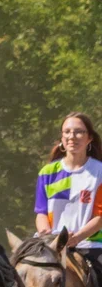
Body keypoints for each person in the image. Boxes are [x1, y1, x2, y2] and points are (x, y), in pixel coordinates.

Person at [34, 112, 102, 274]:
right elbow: (41, 212)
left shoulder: (99, 172)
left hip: (90, 246)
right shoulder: (47, 172)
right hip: (51, 246)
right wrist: (47, 235)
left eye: (79, 132)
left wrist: (75, 238)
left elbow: (100, 217)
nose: (72, 136)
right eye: (67, 132)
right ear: (62, 138)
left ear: (89, 138)